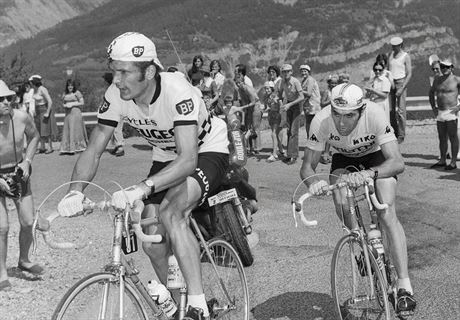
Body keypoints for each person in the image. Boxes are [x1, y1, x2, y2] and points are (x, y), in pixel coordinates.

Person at [57, 32, 229, 320]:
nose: (117, 80)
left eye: (124, 72)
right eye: (114, 71)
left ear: (149, 71)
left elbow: (187, 159)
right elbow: (96, 145)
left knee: (172, 212)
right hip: (165, 156)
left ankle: (199, 306)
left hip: (205, 149)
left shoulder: (177, 91)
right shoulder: (117, 95)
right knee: (151, 239)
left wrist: (141, 188)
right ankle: (179, 307)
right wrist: (75, 191)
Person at [300, 82, 416, 316]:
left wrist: (369, 174)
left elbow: (397, 162)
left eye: (349, 115)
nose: (341, 122)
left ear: (361, 110)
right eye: (337, 114)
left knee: (386, 207)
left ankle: (404, 286)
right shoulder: (321, 120)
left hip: (376, 159)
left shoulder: (374, 113)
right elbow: (307, 166)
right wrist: (315, 183)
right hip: (343, 159)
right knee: (341, 199)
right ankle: (361, 247)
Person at [0, 79, 44, 292]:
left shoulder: (22, 117)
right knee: (2, 228)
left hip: (18, 172)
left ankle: (24, 260)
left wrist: (27, 161)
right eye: (0, 99)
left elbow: (34, 136)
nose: (5, 102)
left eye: (8, 98)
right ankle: (1, 273)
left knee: (28, 222)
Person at [428, 59, 460, 170]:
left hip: (451, 112)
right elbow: (431, 92)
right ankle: (442, 160)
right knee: (442, 138)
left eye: (446, 67)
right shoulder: (437, 80)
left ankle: (453, 162)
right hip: (440, 112)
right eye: (442, 67)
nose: (444, 69)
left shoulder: (456, 80)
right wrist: (433, 107)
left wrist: (459, 107)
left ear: (451, 68)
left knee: (453, 137)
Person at [275, 64, 304, 165]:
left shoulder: (295, 82)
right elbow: (279, 94)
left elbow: (301, 97)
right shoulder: (282, 82)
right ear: (282, 73)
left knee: (293, 131)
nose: (286, 73)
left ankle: (293, 156)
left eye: (288, 71)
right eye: (284, 72)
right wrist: (279, 102)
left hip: (296, 106)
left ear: (291, 72)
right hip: (288, 106)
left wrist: (289, 104)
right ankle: (290, 154)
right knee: (288, 130)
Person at [388, 37, 412, 144]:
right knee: (391, 110)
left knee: (401, 110)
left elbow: (409, 73)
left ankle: (401, 134)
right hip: (391, 83)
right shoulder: (391, 55)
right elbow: (388, 70)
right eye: (392, 46)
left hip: (400, 82)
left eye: (395, 46)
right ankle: (395, 132)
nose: (393, 48)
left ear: (400, 45)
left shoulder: (405, 56)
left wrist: (402, 88)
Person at [233, 73, 262, 155]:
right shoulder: (240, 90)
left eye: (240, 83)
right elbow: (244, 101)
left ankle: (257, 148)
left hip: (255, 107)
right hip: (248, 107)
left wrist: (243, 107)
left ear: (243, 82)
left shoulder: (247, 88)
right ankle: (250, 148)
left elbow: (253, 101)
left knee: (254, 127)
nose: (238, 84)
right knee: (247, 126)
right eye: (236, 83)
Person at [59, 79, 88, 155]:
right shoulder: (64, 93)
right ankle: (68, 148)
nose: (70, 87)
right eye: (68, 85)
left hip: (76, 113)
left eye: (71, 85)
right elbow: (63, 103)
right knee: (68, 130)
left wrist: (73, 104)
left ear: (73, 86)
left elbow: (82, 102)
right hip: (68, 114)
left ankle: (78, 147)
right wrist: (65, 105)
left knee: (77, 129)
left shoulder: (77, 93)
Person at [30, 75, 56, 154]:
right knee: (39, 129)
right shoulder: (35, 90)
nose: (30, 84)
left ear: (34, 82)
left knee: (46, 129)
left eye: (31, 82)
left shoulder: (43, 89)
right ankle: (42, 147)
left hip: (44, 109)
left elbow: (50, 101)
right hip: (37, 111)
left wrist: (47, 112)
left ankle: (50, 147)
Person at [103, 72, 125, 157]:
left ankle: (120, 147)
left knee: (117, 129)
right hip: (116, 111)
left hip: (118, 111)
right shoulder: (113, 87)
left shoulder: (114, 88)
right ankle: (117, 145)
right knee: (115, 129)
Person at [261, 81, 282, 162]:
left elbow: (280, 104)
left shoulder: (274, 96)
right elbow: (267, 107)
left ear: (272, 88)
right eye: (265, 89)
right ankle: (281, 150)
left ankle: (274, 154)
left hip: (276, 116)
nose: (266, 90)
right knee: (275, 134)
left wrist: (278, 103)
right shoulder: (266, 97)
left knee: (273, 133)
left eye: (268, 88)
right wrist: (263, 110)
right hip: (271, 116)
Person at [299, 64, 321, 137]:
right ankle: (310, 139)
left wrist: (299, 90)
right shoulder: (304, 81)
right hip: (307, 105)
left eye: (305, 71)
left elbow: (308, 93)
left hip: (313, 104)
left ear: (308, 72)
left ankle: (314, 139)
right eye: (302, 71)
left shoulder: (310, 80)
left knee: (313, 123)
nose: (303, 73)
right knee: (308, 122)